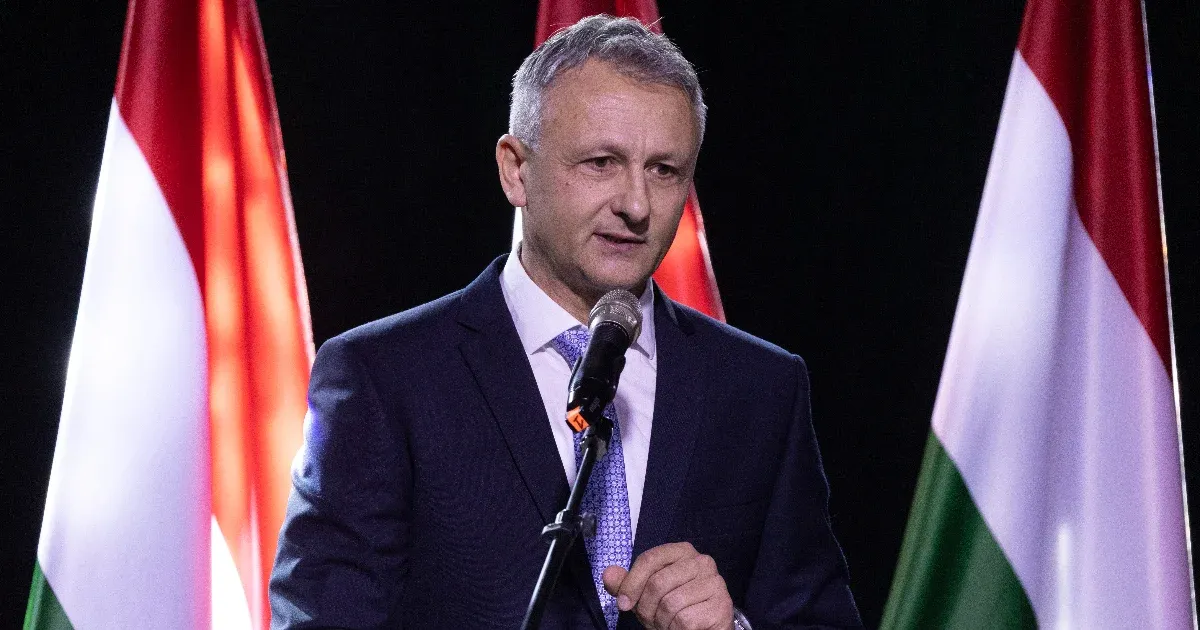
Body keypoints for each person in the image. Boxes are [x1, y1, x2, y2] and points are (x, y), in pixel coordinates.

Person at [269, 15, 861, 630]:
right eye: (601, 162)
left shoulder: (761, 389)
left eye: (664, 170)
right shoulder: (385, 377)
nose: (636, 205)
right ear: (515, 170)